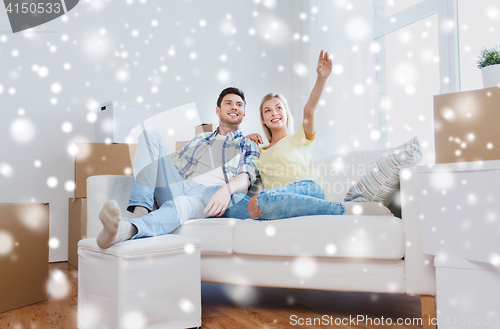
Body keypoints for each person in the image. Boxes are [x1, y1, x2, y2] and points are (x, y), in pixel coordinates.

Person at [204, 50, 388, 220]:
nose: (274, 113)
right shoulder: (258, 150)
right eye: (268, 111)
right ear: (263, 119)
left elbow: (309, 110)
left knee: (262, 201)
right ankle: (266, 209)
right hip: (274, 200)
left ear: (286, 113)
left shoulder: (301, 137)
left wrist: (321, 78)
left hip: (305, 190)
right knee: (217, 198)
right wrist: (246, 139)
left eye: (278, 108)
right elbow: (233, 160)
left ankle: (342, 209)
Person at [96, 87, 260, 249]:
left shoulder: (247, 144)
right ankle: (141, 210)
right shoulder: (200, 138)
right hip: (180, 185)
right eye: (228, 103)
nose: (234, 107)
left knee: (183, 203)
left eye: (239, 105)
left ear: (243, 113)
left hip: (209, 196)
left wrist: (227, 190)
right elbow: (170, 162)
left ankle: (123, 230)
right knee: (150, 135)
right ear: (218, 110)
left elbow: (247, 175)